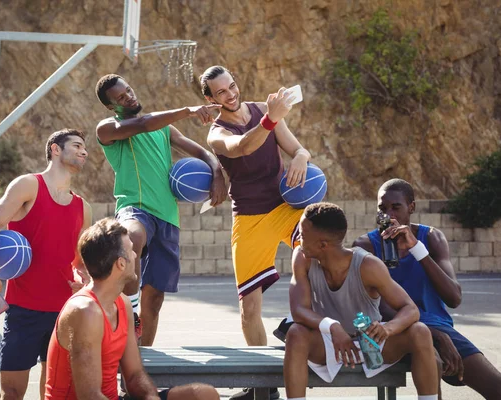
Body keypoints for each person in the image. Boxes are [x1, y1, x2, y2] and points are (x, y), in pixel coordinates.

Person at [199, 65, 311, 400]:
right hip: (248, 216)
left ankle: (298, 325)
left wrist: (302, 158)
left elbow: (297, 148)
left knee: (319, 255)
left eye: (232, 86)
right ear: (209, 98)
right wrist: (270, 119)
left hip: (283, 207)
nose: (230, 94)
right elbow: (242, 148)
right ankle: (262, 382)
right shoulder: (215, 132)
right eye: (221, 92)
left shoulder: (264, 110)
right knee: (249, 307)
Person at [353, 178, 501, 400]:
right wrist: (433, 335)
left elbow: (454, 298)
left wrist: (417, 250)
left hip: (438, 327)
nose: (388, 215)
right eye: (382, 208)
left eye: (396, 207)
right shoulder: (365, 246)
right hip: (391, 329)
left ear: (411, 206)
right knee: (434, 362)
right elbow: (372, 306)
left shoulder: (431, 238)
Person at [95, 74, 227, 346]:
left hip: (167, 217)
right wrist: (189, 110)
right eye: (120, 98)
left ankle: (144, 359)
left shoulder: (163, 127)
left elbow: (201, 152)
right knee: (132, 239)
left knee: (154, 300)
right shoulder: (108, 128)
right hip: (135, 207)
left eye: (128, 90)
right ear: (111, 107)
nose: (128, 97)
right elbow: (143, 123)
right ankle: (129, 307)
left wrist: (216, 172)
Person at [0, 129, 93, 400]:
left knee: (55, 392)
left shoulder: (83, 207)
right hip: (23, 311)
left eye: (85, 148)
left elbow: (78, 261)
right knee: (12, 392)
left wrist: (82, 278)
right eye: (76, 146)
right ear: (55, 149)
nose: (84, 151)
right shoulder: (29, 185)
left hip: (64, 313)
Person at [45, 217, 219, 400]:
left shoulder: (123, 304)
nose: (137, 255)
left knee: (203, 395)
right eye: (132, 250)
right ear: (121, 263)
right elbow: (90, 396)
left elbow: (135, 375)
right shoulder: (85, 312)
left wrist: (152, 398)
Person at [284, 202, 439, 400]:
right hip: (330, 341)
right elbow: (298, 310)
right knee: (296, 333)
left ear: (322, 245)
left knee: (420, 331)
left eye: (303, 235)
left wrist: (387, 329)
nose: (298, 238)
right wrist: (333, 327)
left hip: (371, 342)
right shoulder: (302, 257)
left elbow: (410, 309)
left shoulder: (368, 266)